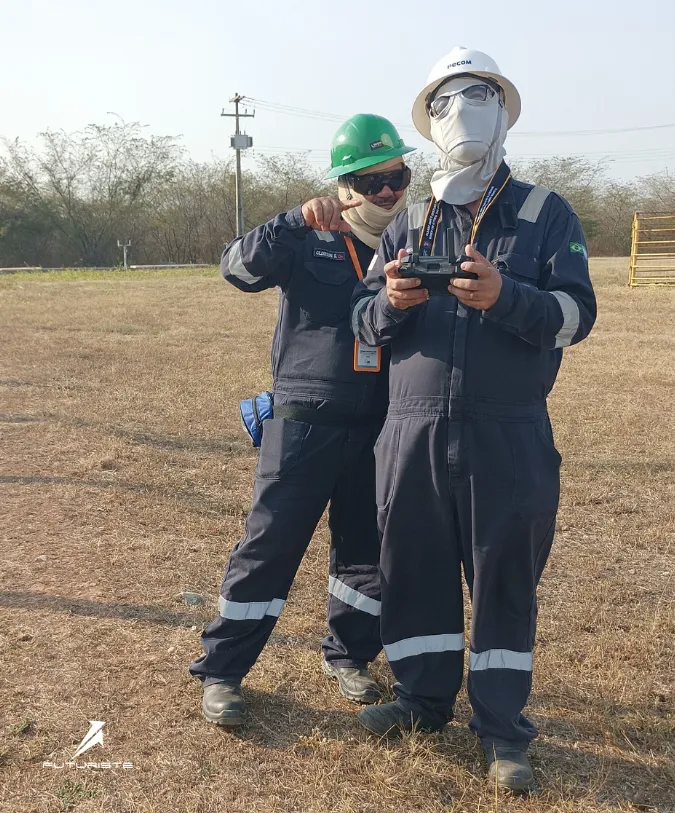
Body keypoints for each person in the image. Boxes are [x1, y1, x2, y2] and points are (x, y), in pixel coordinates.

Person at [351, 47, 597, 792]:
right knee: (413, 570)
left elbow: (576, 314)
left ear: (502, 111)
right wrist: (389, 304)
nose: (466, 110)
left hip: (506, 429)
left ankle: (501, 730)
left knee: (503, 580)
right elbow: (359, 322)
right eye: (451, 99)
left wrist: (507, 297)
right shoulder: (409, 218)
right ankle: (421, 699)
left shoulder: (543, 211)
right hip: (411, 427)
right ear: (428, 122)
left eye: (481, 95)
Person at [189, 114, 415, 726]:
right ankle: (224, 671)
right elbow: (235, 269)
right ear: (343, 186)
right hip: (304, 421)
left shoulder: (413, 242)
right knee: (270, 545)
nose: (388, 192)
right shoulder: (307, 234)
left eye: (397, 176)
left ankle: (349, 656)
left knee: (366, 553)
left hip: (380, 426)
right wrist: (290, 220)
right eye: (372, 182)